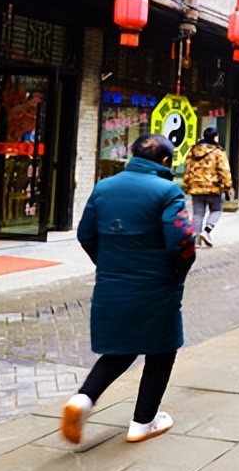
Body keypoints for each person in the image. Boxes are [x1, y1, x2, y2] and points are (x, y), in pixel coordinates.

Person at [61, 134, 197, 444]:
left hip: (113, 282)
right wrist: (177, 272)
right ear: (165, 161)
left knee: (119, 349)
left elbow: (85, 234)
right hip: (156, 286)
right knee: (161, 351)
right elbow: (182, 243)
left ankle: (81, 400)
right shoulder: (168, 191)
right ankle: (142, 423)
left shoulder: (104, 187)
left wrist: (108, 264)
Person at [182, 127, 232, 247]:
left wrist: (186, 186)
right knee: (217, 210)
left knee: (197, 214)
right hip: (213, 188)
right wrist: (228, 186)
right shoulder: (218, 152)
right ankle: (207, 231)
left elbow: (187, 169)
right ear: (215, 137)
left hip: (196, 188)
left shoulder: (193, 150)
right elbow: (224, 170)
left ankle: (196, 240)